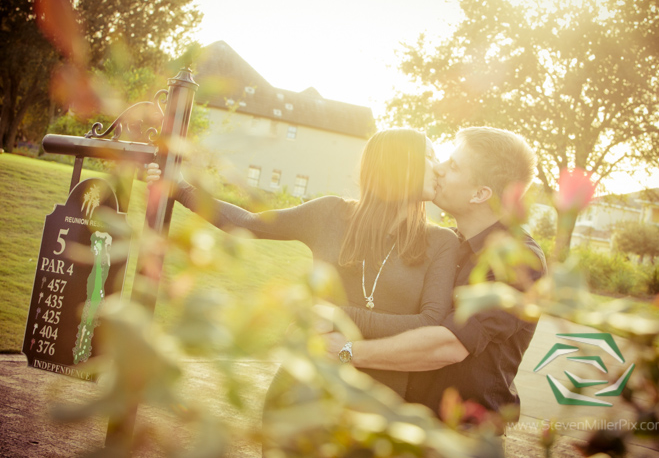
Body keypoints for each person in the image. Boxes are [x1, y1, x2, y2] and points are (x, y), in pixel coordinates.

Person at [146, 128, 460, 398]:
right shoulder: (330, 214)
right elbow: (248, 223)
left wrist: (339, 314)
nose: (440, 168)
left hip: (378, 404)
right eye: (430, 156)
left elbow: (430, 324)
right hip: (304, 389)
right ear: (399, 163)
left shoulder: (442, 242)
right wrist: (180, 187)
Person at [324, 126, 547, 428]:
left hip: (461, 438)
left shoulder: (519, 259)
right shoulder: (446, 246)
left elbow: (448, 345)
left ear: (480, 194)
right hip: (409, 428)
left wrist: (347, 352)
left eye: (452, 166)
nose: (437, 169)